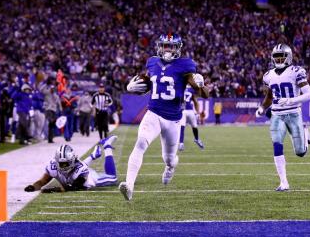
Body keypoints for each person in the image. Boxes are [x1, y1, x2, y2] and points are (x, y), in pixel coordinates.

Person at [119, 33, 209, 201]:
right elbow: (149, 83)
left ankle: (170, 168)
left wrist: (202, 85)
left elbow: (204, 94)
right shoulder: (152, 62)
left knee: (168, 158)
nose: (167, 49)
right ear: (159, 46)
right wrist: (134, 86)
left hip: (173, 119)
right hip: (153, 113)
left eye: (171, 46)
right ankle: (129, 185)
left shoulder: (185, 65)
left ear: (178, 48)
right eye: (164, 45)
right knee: (140, 143)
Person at [255, 44, 310, 191]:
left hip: (293, 112)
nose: (279, 59)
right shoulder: (268, 75)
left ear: (289, 56)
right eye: (276, 57)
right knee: (277, 144)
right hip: (277, 114)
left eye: (282, 56)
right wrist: (262, 107)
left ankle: (305, 132)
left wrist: (291, 100)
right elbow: (269, 95)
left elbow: (308, 94)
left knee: (301, 152)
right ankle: (284, 182)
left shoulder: (296, 71)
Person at [24, 135, 118, 193]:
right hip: (76, 175)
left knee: (113, 178)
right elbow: (42, 182)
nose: (63, 167)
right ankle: (93, 155)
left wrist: (52, 190)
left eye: (65, 164)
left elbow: (72, 187)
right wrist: (33, 186)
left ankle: (107, 146)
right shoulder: (53, 165)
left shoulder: (81, 170)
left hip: (90, 179)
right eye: (61, 164)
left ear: (72, 161)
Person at [179, 84, 204, 151]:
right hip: (184, 110)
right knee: (182, 126)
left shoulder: (180, 87)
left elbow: (195, 100)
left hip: (188, 110)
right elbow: (195, 101)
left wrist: (198, 112)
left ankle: (196, 139)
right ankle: (181, 143)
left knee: (193, 126)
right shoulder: (189, 89)